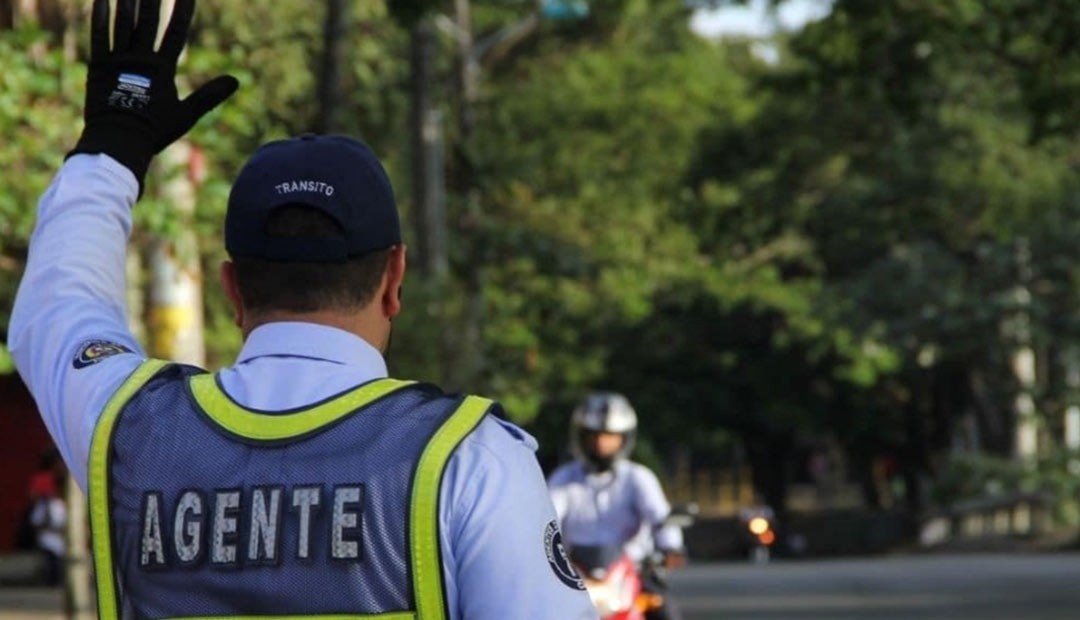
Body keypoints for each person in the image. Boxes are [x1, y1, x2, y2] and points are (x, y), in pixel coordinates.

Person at [9, 1, 596, 618]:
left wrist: (112, 143)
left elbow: (55, 305)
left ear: (232, 289)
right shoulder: (468, 458)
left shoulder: (130, 430)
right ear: (394, 277)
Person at [548, 392, 686, 620]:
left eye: (610, 436)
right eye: (594, 435)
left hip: (632, 571)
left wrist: (671, 547)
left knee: (666, 611)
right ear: (581, 437)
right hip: (574, 574)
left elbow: (660, 517)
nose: (602, 443)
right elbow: (545, 520)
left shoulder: (638, 478)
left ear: (624, 438)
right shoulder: (563, 479)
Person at [25, 451, 67, 586]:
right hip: (47, 523)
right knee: (51, 557)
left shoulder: (66, 478)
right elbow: (33, 496)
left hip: (63, 518)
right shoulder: (42, 480)